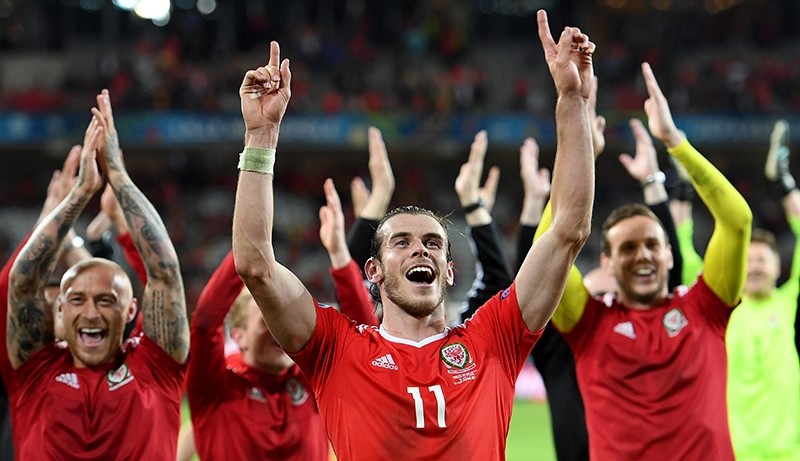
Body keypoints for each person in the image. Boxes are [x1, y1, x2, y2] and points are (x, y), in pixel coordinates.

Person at [232, 8, 596, 458]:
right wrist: (260, 137)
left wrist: (571, 99)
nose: (419, 249)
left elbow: (568, 230)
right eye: (400, 242)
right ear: (375, 271)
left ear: (447, 271)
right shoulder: (336, 348)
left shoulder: (494, 338)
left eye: (433, 243)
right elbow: (255, 266)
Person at [533, 62, 752, 460]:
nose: (643, 255)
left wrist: (675, 143)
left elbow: (737, 222)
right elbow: (549, 247)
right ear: (607, 263)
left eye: (652, 244)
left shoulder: (706, 308)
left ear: (669, 252)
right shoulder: (587, 325)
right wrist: (583, 152)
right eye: (628, 249)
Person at [6, 90, 189, 459]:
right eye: (76, 300)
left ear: (131, 311)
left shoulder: (156, 366)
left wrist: (117, 173)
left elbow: (165, 271)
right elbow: (22, 283)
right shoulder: (35, 367)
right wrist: (79, 195)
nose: (91, 313)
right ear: (57, 310)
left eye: (106, 301)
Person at [725, 119, 800, 460]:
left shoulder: (788, 302)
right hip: (733, 451)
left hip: (789, 451)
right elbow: (685, 255)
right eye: (748, 260)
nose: (754, 265)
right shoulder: (721, 309)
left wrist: (784, 185)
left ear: (777, 267)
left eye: (762, 260)